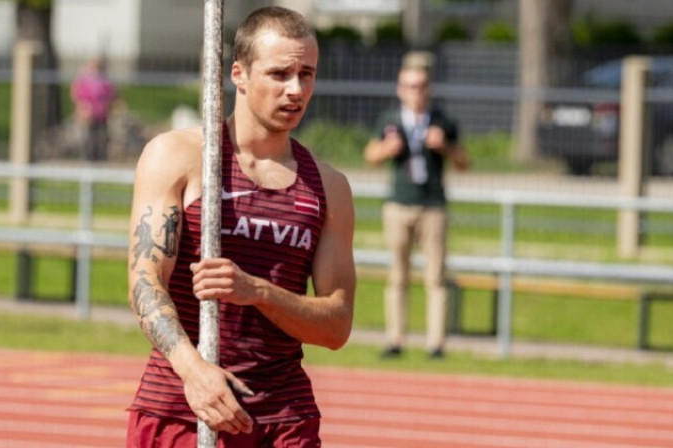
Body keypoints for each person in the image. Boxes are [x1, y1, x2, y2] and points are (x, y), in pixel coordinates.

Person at [125, 6, 356, 447]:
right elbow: (144, 281)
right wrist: (196, 374)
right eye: (280, 74)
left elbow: (336, 324)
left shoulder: (328, 187)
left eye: (307, 74)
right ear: (239, 74)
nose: (296, 90)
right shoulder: (178, 157)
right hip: (181, 410)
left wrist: (258, 291)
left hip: (283, 417)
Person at [363, 51, 469, 360]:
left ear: (429, 88)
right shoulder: (390, 120)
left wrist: (445, 147)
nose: (416, 91)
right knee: (398, 275)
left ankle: (436, 344)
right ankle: (395, 339)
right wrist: (386, 149)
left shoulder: (442, 121)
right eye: (410, 85)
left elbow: (464, 162)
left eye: (421, 85)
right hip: (398, 204)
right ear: (400, 89)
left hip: (433, 205)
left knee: (435, 276)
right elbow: (369, 155)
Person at [71, 56, 117, 161]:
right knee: (88, 137)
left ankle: (101, 157)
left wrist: (108, 106)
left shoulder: (105, 78)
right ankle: (88, 158)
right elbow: (77, 94)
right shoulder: (83, 78)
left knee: (102, 136)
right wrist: (82, 108)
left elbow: (111, 94)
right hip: (87, 112)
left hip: (102, 113)